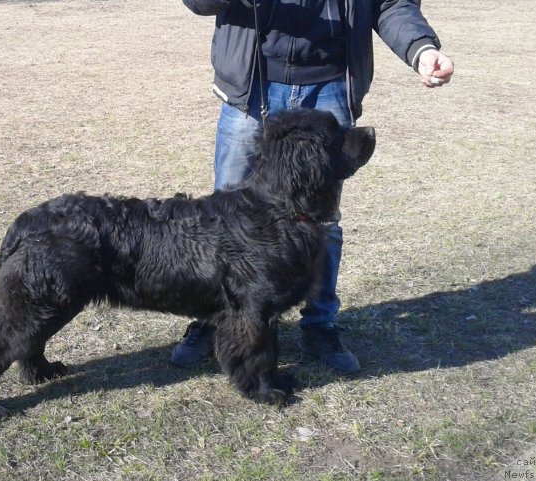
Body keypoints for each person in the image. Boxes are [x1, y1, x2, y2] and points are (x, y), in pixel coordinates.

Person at [172, 0, 454, 374]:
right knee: (227, 221)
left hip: (330, 83)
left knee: (321, 222)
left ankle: (319, 324)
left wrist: (420, 47)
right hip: (253, 84)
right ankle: (214, 319)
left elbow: (391, 4)